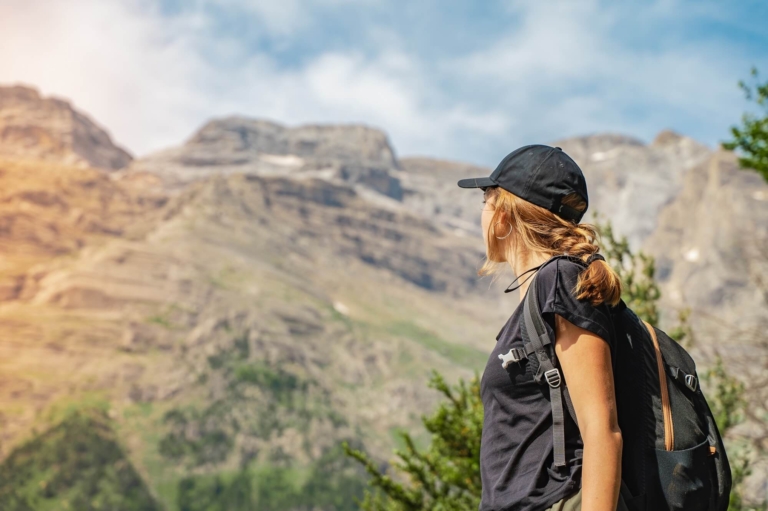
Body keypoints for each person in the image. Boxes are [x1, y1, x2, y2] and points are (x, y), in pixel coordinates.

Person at [457, 145, 630, 511]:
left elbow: (603, 431)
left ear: (504, 213)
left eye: (485, 201)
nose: (482, 214)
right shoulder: (544, 291)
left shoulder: (560, 281)